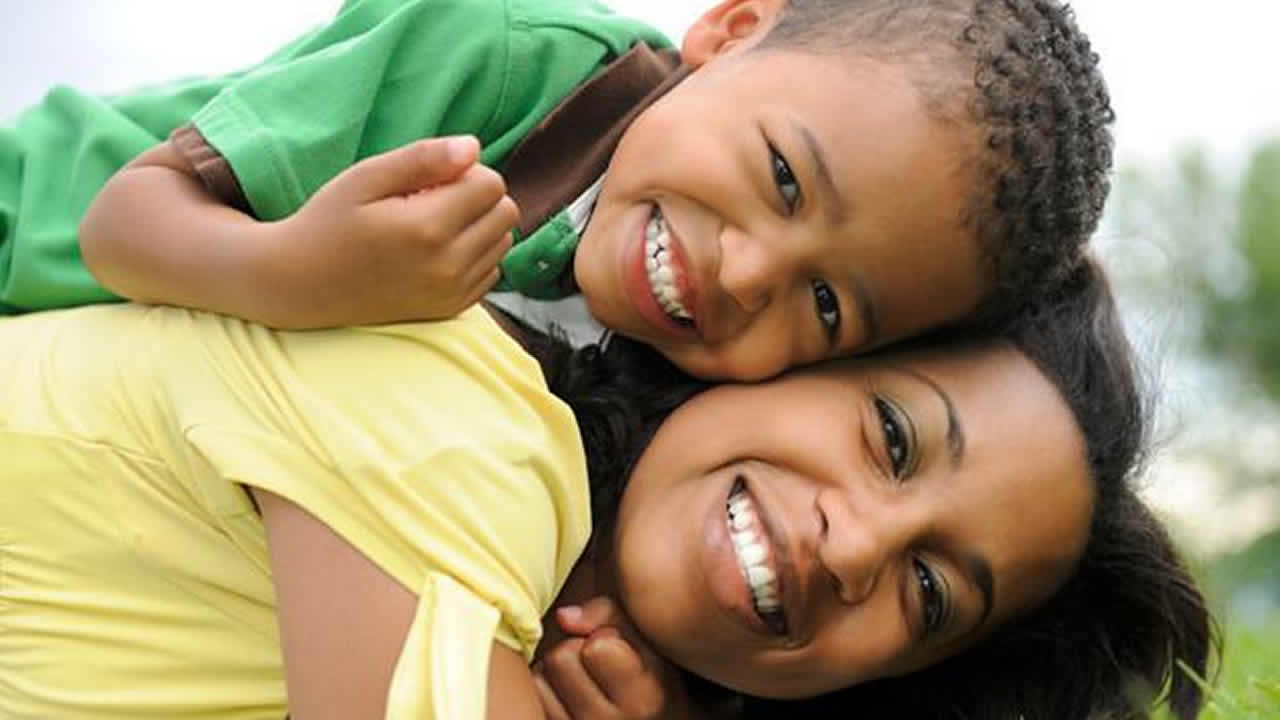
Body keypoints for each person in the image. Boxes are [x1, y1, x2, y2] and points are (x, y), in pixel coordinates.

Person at [0, 252, 1214, 719]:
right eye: (890, 439)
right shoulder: (456, 414)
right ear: (780, 353)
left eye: (930, 594)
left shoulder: (524, 602)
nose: (855, 549)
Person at [2, 0, 1115, 380]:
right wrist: (301, 273)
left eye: (827, 305)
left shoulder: (667, 368)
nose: (748, 274)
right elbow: (123, 221)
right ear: (732, 32)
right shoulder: (508, 64)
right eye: (783, 176)